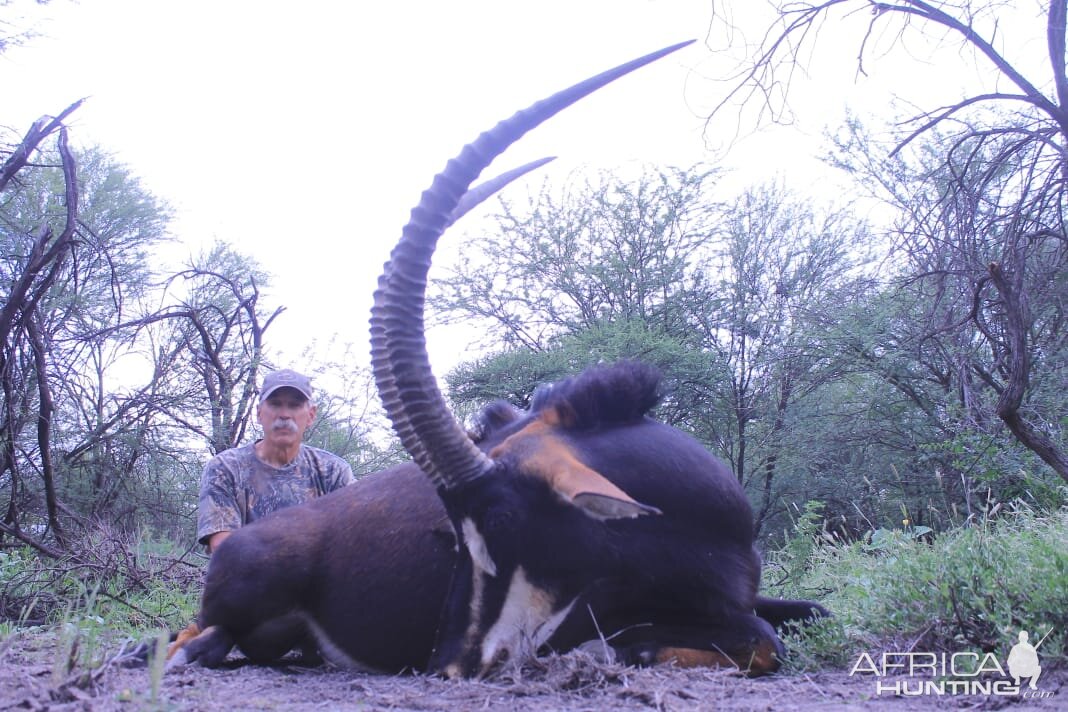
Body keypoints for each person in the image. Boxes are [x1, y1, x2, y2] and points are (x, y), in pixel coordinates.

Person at [197, 368, 355, 553]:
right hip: (248, 578)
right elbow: (223, 547)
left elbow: (352, 537)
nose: (284, 414)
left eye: (294, 405)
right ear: (259, 413)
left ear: (311, 415)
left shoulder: (333, 471)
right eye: (275, 404)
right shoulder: (225, 468)